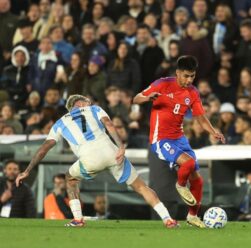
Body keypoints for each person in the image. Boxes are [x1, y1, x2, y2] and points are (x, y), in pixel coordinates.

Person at [16, 94, 178, 228]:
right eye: (86, 100)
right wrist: (121, 145)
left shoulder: (60, 123)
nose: (90, 102)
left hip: (89, 158)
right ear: (79, 103)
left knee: (70, 179)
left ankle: (78, 219)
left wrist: (27, 171)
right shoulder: (94, 109)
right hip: (112, 153)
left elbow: (44, 148)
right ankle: (167, 219)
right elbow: (109, 124)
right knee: (142, 187)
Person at [133, 56, 225, 228]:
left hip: (179, 138)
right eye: (186, 76)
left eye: (192, 76)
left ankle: (192, 216)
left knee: (198, 179)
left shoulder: (192, 92)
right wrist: (147, 98)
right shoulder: (162, 84)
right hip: (160, 139)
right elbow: (136, 98)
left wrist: (214, 131)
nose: (189, 80)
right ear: (177, 73)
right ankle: (181, 185)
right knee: (188, 163)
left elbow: (200, 117)